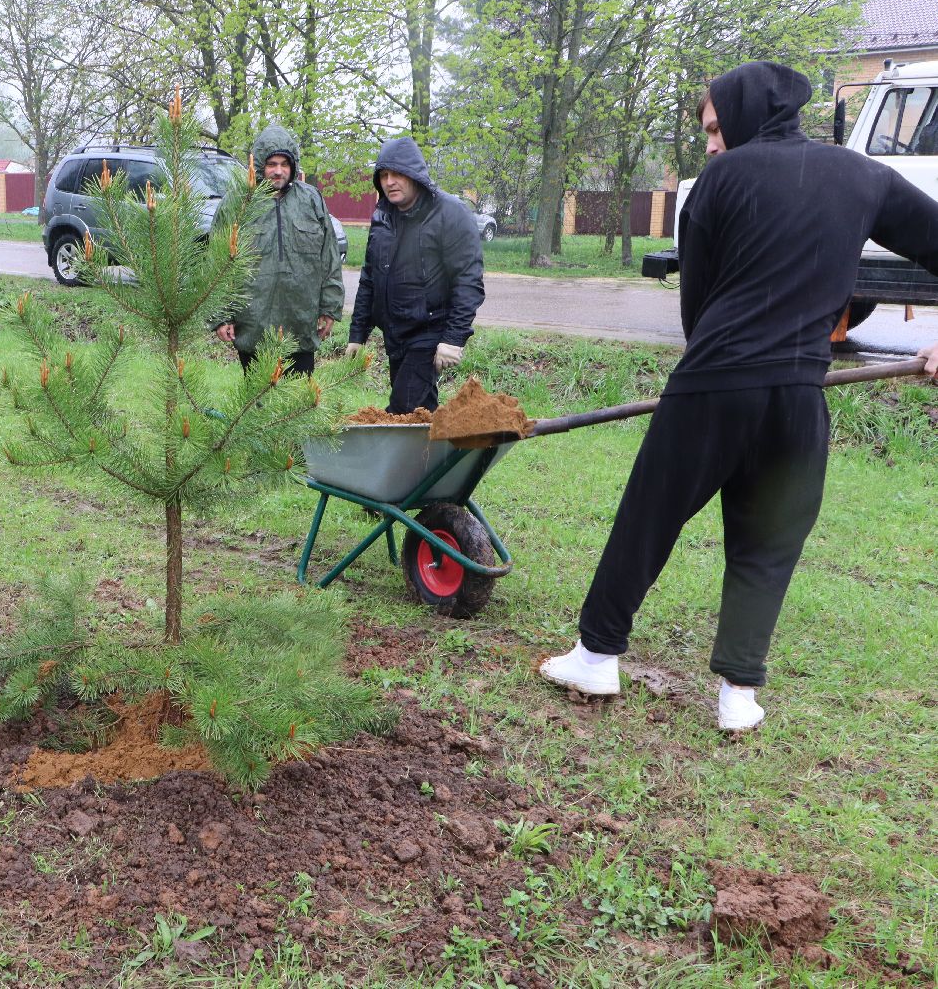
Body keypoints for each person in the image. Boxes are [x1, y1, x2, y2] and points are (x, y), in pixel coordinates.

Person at [539, 61, 938, 731]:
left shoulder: (720, 180)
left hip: (715, 385)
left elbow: (699, 302)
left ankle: (598, 654)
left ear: (749, 116)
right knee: (767, 539)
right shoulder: (865, 175)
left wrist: (713, 365)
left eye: (717, 127)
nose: (711, 145)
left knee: (649, 517)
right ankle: (739, 695)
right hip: (800, 396)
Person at [346, 137, 485, 413]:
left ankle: (399, 457)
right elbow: (370, 278)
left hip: (430, 333)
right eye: (384, 175)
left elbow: (468, 281)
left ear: (414, 174)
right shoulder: (383, 216)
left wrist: (453, 339)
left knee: (402, 409)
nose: (390, 182)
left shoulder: (450, 213)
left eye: (397, 174)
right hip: (395, 334)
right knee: (420, 413)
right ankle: (433, 456)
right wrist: (357, 334)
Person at [214, 124, 342, 375]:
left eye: (284, 164)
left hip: (301, 323)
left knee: (297, 403)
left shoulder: (311, 200)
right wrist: (222, 316)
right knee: (257, 403)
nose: (278, 171)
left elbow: (329, 259)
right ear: (259, 165)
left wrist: (329, 308)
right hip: (252, 324)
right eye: (272, 164)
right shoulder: (238, 202)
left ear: (293, 166)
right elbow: (217, 264)